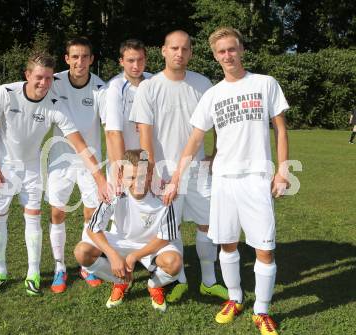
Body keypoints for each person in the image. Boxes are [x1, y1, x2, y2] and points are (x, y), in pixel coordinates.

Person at [164, 27, 289, 335]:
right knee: (228, 244)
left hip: (257, 179)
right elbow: (195, 139)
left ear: (241, 49)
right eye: (221, 52)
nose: (227, 56)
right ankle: (234, 298)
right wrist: (178, 175)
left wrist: (283, 170)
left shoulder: (265, 84)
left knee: (264, 248)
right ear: (215, 55)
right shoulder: (213, 94)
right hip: (222, 180)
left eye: (232, 49)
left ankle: (262, 310)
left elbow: (281, 130)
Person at [0, 52, 109, 297]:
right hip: (3, 166)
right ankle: (0, 271)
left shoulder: (54, 105)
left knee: (32, 218)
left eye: (50, 78)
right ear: (27, 75)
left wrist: (100, 177)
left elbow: (79, 144)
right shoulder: (5, 93)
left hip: (31, 169)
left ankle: (33, 273)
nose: (44, 83)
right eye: (39, 77)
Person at [129, 30, 227, 303]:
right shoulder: (149, 87)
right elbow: (144, 134)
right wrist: (152, 171)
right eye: (174, 48)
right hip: (163, 173)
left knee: (208, 224)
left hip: (197, 171)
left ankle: (209, 280)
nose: (179, 53)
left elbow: (219, 122)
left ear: (191, 53)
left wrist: (216, 153)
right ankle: (181, 279)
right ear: (163, 50)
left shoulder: (203, 83)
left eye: (184, 49)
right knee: (171, 230)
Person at [74, 149, 183, 312]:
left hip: (153, 245)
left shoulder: (164, 194)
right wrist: (112, 255)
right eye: (131, 177)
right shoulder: (114, 193)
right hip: (122, 241)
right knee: (82, 252)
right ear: (120, 176)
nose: (137, 183)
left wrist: (135, 256)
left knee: (174, 263)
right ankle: (121, 280)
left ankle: (154, 285)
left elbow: (165, 238)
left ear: (150, 174)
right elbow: (93, 229)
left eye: (141, 177)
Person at [46, 37, 106, 293]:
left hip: (90, 162)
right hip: (60, 160)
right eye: (75, 57)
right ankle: (60, 267)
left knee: (90, 214)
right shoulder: (54, 82)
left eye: (85, 57)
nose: (80, 61)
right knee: (58, 213)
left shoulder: (101, 88)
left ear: (92, 60)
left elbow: (109, 125)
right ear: (66, 58)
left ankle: (85, 265)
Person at [104, 39, 151, 188]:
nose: (136, 66)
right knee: (123, 210)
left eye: (140, 60)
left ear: (146, 59)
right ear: (121, 61)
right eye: (130, 60)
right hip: (126, 163)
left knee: (149, 209)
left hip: (151, 161)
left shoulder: (154, 82)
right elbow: (113, 133)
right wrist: (122, 168)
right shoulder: (115, 87)